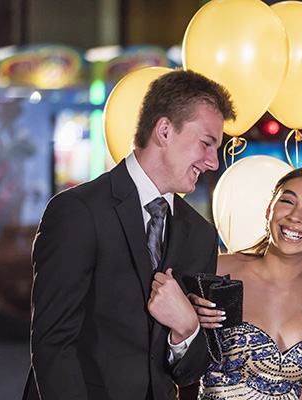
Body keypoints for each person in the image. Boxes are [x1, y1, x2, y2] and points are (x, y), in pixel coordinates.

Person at [24, 69, 235, 400]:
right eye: (207, 143)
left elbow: (192, 371)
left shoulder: (201, 235)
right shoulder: (78, 212)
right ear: (164, 130)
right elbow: (53, 346)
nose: (212, 161)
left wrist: (186, 329)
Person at [189, 168, 302, 399]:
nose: (295, 216)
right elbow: (174, 357)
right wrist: (189, 317)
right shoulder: (218, 271)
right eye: (287, 201)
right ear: (268, 209)